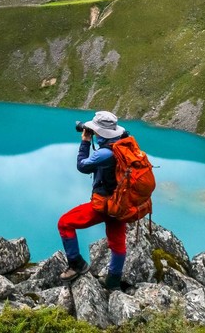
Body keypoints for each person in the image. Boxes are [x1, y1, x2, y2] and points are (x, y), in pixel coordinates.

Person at [58, 110, 129, 289]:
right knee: (118, 242)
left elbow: (82, 166)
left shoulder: (104, 154)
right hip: (120, 205)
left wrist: (85, 141)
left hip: (104, 205)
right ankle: (113, 282)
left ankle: (77, 264)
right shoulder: (124, 143)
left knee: (65, 223)